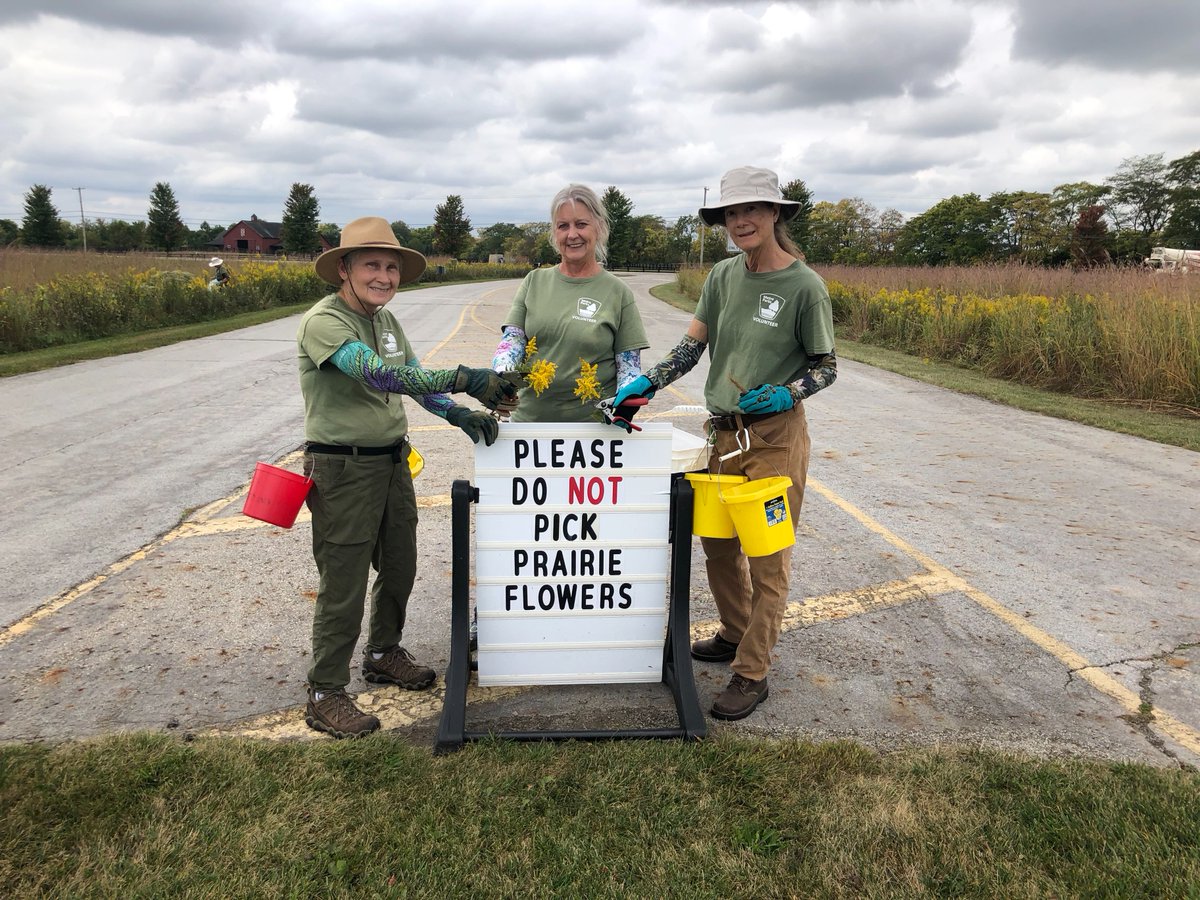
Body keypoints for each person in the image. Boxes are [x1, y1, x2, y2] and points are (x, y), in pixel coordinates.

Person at [611, 166, 837, 721]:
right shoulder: (722, 277)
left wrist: (789, 393)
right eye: (731, 214)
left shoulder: (804, 286)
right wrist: (648, 382)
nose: (741, 221)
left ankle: (752, 671)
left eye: (752, 210)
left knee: (768, 557)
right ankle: (736, 634)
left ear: (775, 214)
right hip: (723, 436)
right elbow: (691, 349)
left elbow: (827, 365)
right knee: (717, 545)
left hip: (774, 439)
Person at [297, 216, 519, 738]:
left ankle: (382, 651)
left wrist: (456, 414)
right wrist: (466, 379)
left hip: (392, 461)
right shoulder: (324, 322)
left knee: (400, 566)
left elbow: (416, 383)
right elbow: (379, 374)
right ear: (344, 270)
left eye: (391, 267)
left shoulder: (387, 323)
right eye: (372, 265)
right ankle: (326, 689)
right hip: (341, 466)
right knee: (344, 582)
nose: (384, 276)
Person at [491, 183, 649, 421]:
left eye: (581, 224)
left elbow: (628, 367)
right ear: (555, 233)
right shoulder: (534, 281)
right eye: (563, 226)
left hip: (594, 433)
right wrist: (501, 374)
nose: (572, 234)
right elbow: (512, 341)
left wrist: (627, 396)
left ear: (599, 227)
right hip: (528, 426)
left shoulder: (619, 293)